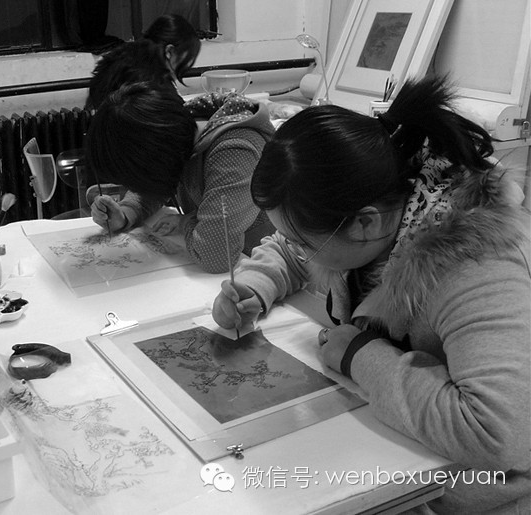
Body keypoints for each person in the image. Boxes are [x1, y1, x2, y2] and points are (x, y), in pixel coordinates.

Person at [211, 75, 530, 514]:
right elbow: (289, 249)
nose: (296, 247)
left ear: (365, 223)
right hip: (395, 455)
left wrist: (361, 356)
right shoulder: (377, 203)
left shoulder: (478, 270)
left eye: (304, 240)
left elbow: (498, 435)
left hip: (469, 495)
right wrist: (254, 285)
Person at [84, 82, 276, 273]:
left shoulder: (235, 150)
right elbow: (159, 181)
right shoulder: (176, 132)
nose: (135, 186)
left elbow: (215, 256)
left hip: (261, 263)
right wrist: (126, 213)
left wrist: (185, 222)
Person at [85, 13, 201, 109]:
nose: (187, 66)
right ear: (169, 51)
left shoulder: (123, 57)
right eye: (186, 59)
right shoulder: (152, 84)